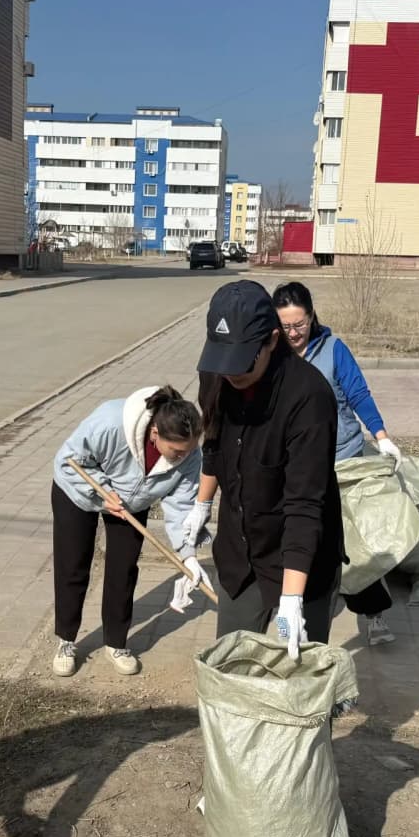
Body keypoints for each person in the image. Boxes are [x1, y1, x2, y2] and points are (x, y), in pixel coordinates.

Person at [183, 280, 345, 657]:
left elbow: (305, 504)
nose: (231, 375)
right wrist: (201, 506)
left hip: (303, 556)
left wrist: (291, 598)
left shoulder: (309, 398)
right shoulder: (219, 370)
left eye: (242, 362)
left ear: (273, 340)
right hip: (242, 551)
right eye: (224, 362)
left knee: (303, 679)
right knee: (232, 665)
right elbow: (215, 442)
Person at [273, 280, 402, 648]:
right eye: (286, 327)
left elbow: (358, 393)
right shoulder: (273, 355)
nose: (294, 333)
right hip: (295, 467)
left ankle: (374, 613)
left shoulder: (333, 350)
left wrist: (381, 437)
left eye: (300, 324)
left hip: (341, 461)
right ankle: (312, 604)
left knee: (353, 545)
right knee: (301, 540)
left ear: (312, 317)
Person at [51, 386, 207, 677]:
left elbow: (181, 507)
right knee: (73, 565)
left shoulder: (189, 454)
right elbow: (68, 460)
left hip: (132, 501)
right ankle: (66, 640)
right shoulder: (111, 421)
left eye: (188, 451)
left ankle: (116, 643)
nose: (182, 457)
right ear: (155, 433)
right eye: (176, 451)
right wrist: (102, 491)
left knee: (123, 569)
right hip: (77, 489)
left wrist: (188, 557)